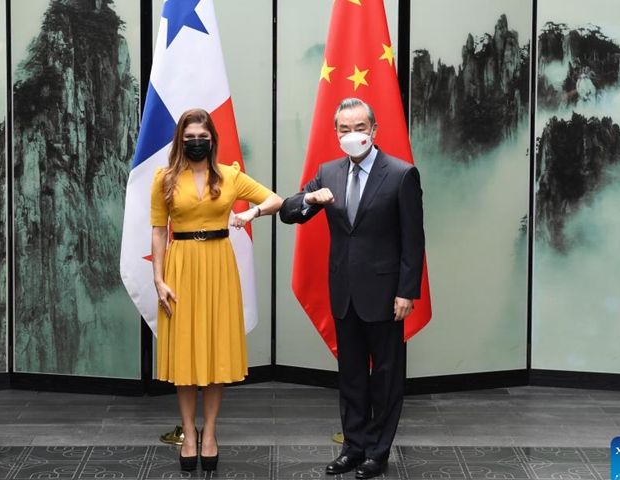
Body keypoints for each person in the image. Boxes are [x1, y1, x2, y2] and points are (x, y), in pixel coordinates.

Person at [280, 98, 425, 479]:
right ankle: (353, 448)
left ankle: (379, 452)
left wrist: (407, 292)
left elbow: (413, 240)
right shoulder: (328, 172)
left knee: (387, 377)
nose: (352, 135)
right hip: (344, 292)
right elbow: (289, 212)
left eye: (359, 128)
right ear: (336, 133)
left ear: (374, 130)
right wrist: (310, 198)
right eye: (344, 129)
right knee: (351, 377)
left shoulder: (400, 173)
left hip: (386, 294)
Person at [150, 108, 282, 471]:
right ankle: (188, 434)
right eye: (190, 137)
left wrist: (250, 215)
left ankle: (210, 433)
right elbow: (160, 231)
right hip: (180, 268)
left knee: (214, 351)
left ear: (212, 140)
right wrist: (158, 280)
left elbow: (275, 200)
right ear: (181, 140)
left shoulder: (230, 176)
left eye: (202, 137)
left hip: (220, 266)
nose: (196, 142)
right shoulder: (163, 179)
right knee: (186, 355)